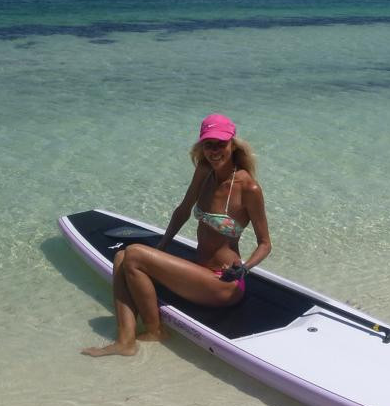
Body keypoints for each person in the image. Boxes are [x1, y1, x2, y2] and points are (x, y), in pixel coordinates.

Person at [82, 114, 271, 357]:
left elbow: (265, 243)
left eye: (220, 144)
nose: (214, 151)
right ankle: (125, 341)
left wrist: (244, 268)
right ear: (201, 146)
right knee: (122, 257)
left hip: (223, 284)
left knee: (135, 255)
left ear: (232, 144)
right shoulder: (204, 172)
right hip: (199, 271)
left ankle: (155, 331)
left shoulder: (248, 188)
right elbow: (183, 211)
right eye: (208, 144)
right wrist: (162, 247)